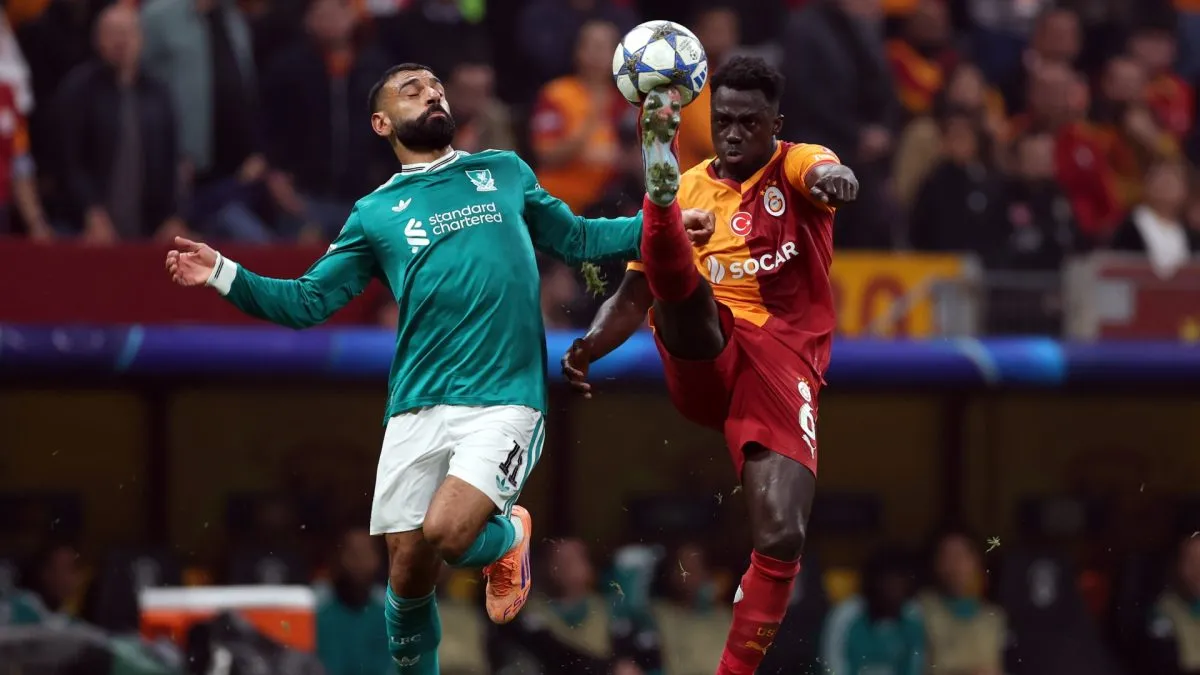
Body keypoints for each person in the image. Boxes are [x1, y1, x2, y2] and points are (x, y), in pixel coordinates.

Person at [165, 63, 711, 674]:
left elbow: (579, 237)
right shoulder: (374, 213)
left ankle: (508, 536)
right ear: (380, 123)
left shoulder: (502, 171)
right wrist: (221, 271)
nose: (431, 95)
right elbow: (306, 302)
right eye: (412, 90)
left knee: (450, 534)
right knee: (406, 575)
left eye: (436, 88)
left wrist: (661, 230)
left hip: (503, 396)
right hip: (416, 405)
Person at [561, 55, 859, 675]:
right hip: (706, 351)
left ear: (776, 123)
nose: (734, 133)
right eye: (723, 120)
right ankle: (660, 198)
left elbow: (826, 170)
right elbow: (631, 296)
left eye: (750, 123)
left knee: (781, 536)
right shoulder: (700, 183)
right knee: (685, 292)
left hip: (781, 362)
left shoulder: (797, 164)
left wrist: (838, 180)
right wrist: (588, 345)